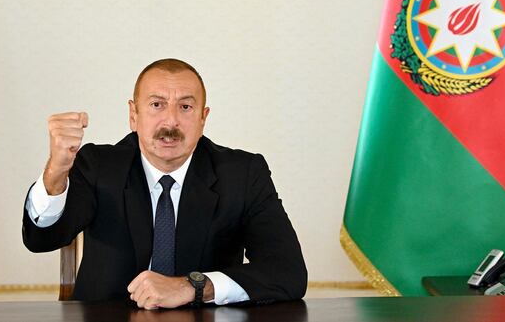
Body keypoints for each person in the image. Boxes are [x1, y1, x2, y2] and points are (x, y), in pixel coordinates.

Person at [23, 58, 307, 309]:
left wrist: (194, 287)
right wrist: (56, 172)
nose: (170, 121)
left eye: (185, 107)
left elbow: (288, 272)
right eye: (157, 105)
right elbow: (41, 239)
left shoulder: (243, 174)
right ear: (134, 115)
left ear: (203, 118)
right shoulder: (99, 166)